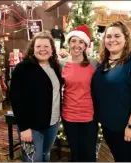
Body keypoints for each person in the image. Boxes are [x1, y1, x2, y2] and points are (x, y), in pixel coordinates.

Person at [91, 21, 131, 162]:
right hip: (110, 124)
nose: (112, 40)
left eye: (117, 36)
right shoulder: (105, 61)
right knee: (119, 157)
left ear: (126, 38)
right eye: (109, 36)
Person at [9, 31, 62, 162]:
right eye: (38, 46)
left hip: (53, 123)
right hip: (32, 126)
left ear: (52, 49)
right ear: (33, 49)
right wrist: (24, 127)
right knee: (33, 159)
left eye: (46, 46)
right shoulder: (23, 68)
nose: (42, 50)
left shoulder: (55, 66)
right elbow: (16, 99)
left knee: (45, 154)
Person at [60, 24, 98, 162]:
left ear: (86, 45)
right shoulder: (62, 64)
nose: (77, 45)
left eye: (81, 42)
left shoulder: (94, 63)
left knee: (89, 154)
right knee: (75, 153)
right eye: (74, 41)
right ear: (69, 43)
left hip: (89, 116)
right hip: (69, 115)